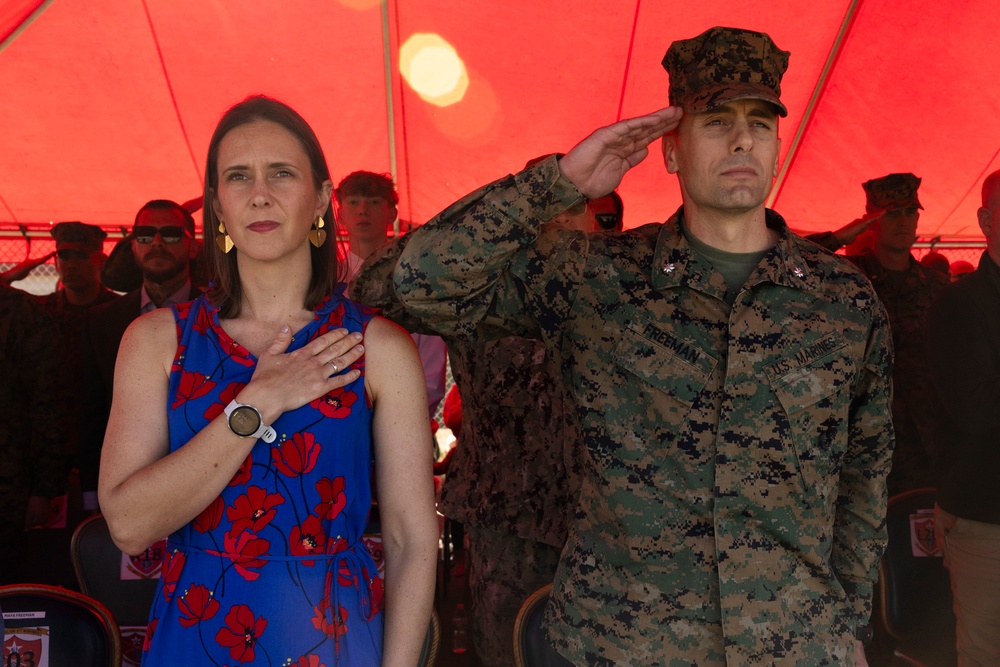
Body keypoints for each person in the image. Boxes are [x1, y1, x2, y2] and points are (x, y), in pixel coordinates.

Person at [354, 26, 894, 666]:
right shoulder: (596, 279)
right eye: (716, 120)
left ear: (778, 144)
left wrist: (846, 626)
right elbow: (398, 286)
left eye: (761, 122)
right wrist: (556, 184)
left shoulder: (844, 301)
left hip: (797, 648)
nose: (743, 138)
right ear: (670, 151)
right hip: (626, 646)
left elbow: (864, 483)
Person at [98, 95, 438, 666]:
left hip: (334, 640)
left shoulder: (378, 347)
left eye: (281, 173)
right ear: (217, 207)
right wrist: (258, 402)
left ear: (322, 201)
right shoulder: (157, 341)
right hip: (195, 635)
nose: (260, 193)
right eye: (238, 177)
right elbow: (129, 527)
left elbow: (410, 540)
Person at [352, 159, 604, 666]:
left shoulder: (624, 285)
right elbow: (376, 284)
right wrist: (515, 202)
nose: (558, 220)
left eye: (573, 206)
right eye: (544, 207)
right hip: (507, 525)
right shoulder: (471, 293)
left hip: (614, 526)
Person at [78, 200, 203, 513]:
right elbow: (91, 411)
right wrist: (92, 493)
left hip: (206, 483)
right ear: (133, 247)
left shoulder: (224, 314)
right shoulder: (101, 321)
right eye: (145, 235)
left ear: (193, 247)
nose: (157, 242)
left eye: (171, 234)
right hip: (125, 487)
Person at [927, 169, 1000, 666]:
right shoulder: (959, 304)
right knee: (984, 651)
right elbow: (976, 408)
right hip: (985, 516)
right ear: (985, 220)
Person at [847, 173, 948, 495]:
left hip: (934, 446)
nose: (903, 221)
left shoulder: (937, 287)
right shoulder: (848, 280)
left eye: (910, 212)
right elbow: (784, 261)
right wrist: (841, 236)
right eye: (892, 213)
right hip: (871, 450)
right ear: (872, 221)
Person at [334, 170, 448, 420]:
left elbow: (430, 371)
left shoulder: (416, 281)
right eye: (353, 202)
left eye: (374, 202)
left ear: (392, 213)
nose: (363, 210)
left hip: (402, 419)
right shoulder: (327, 282)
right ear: (339, 214)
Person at [0, 284, 66, 584]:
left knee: (14, 599)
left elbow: (47, 403)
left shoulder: (21, 312)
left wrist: (43, 488)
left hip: (9, 489)